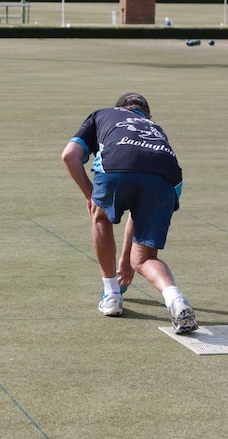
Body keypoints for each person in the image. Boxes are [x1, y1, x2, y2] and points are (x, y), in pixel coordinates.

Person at [61, 93, 197, 334]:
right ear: (148, 115)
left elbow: (69, 155)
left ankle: (112, 295)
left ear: (120, 108)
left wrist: (89, 195)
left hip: (118, 167)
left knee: (101, 217)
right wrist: (127, 262)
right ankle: (176, 299)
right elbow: (138, 209)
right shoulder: (155, 126)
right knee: (144, 258)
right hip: (168, 179)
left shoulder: (102, 115)